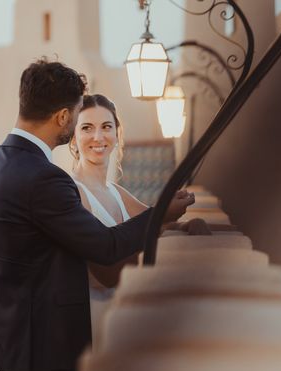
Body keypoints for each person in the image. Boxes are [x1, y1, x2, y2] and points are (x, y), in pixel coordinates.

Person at [0, 59, 193, 371]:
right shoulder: (45, 178)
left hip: (7, 341)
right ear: (64, 117)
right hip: (44, 349)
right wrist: (162, 217)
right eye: (78, 120)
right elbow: (104, 246)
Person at [69, 93, 210, 348]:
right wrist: (162, 219)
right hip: (92, 320)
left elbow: (156, 223)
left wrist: (188, 225)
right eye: (87, 128)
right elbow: (104, 271)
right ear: (73, 136)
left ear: (117, 134)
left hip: (120, 316)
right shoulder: (73, 192)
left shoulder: (116, 191)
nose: (98, 137)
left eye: (106, 127)